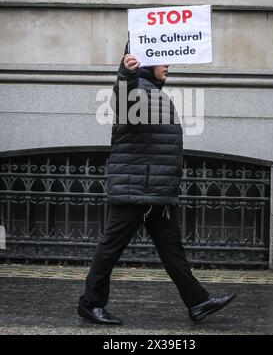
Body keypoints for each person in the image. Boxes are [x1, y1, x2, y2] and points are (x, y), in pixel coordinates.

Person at [78, 45, 236, 325]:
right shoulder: (137, 91)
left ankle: (198, 302)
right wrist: (125, 72)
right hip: (135, 190)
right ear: (146, 64)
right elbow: (124, 100)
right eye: (163, 61)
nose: (169, 66)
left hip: (156, 192)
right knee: (110, 249)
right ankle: (90, 304)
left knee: (172, 251)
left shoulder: (155, 93)